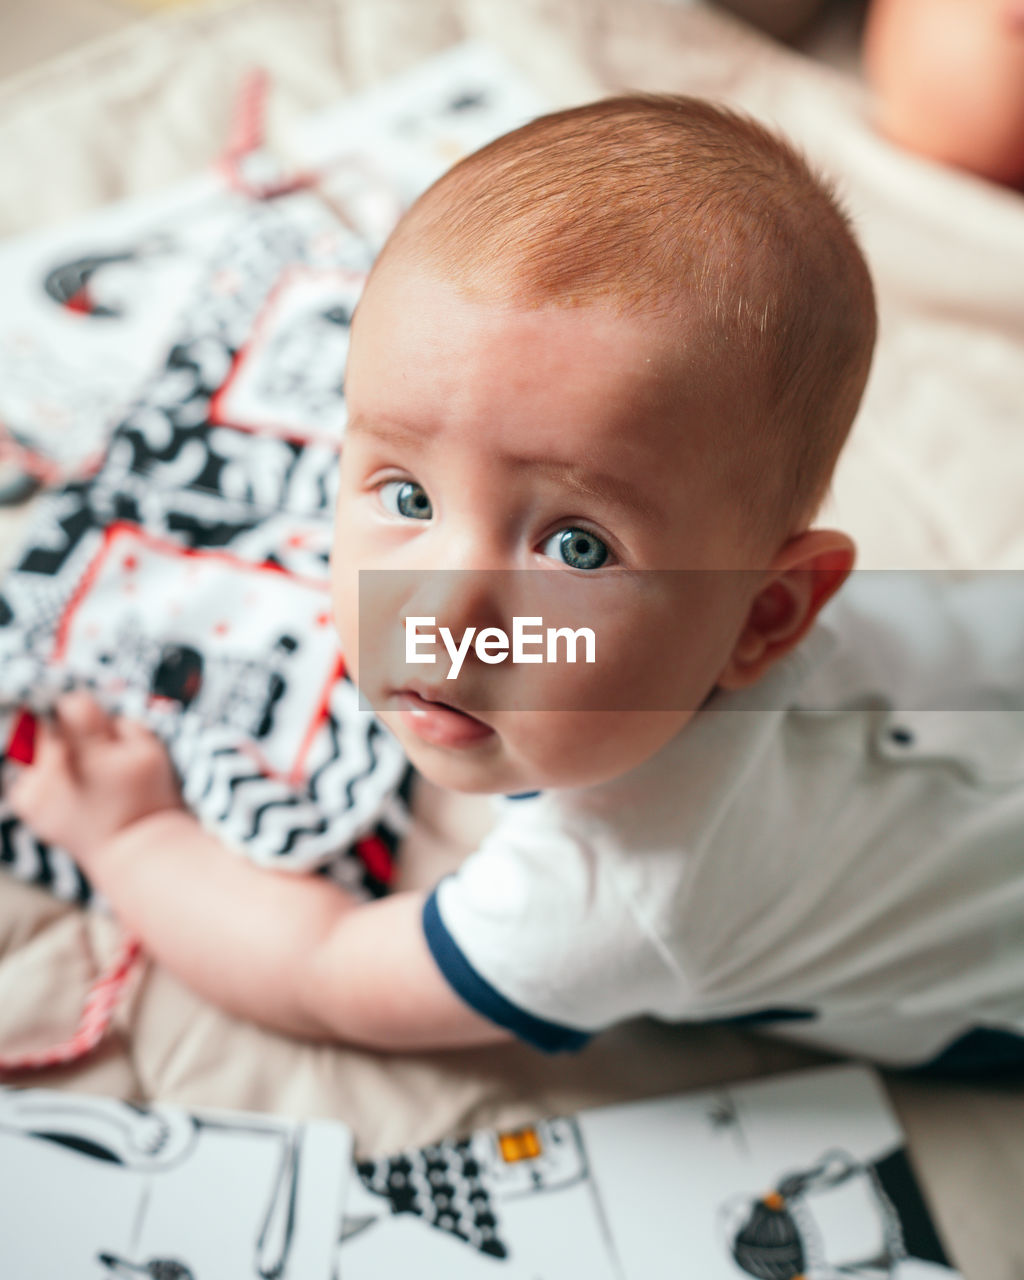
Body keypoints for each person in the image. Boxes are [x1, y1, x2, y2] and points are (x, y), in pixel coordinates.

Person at [9, 96, 1023, 1071]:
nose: (441, 617)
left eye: (578, 548)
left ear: (767, 612)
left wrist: (132, 835)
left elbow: (323, 974)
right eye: (405, 494)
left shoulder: (618, 887)